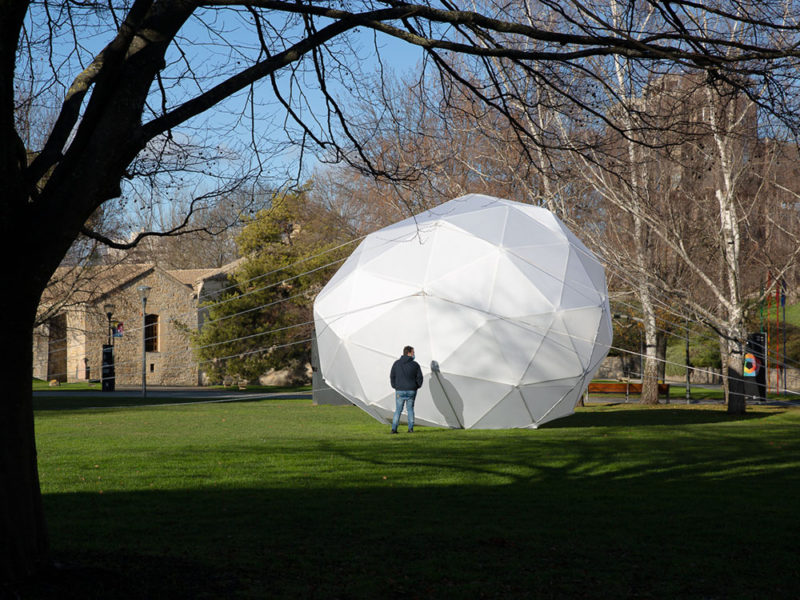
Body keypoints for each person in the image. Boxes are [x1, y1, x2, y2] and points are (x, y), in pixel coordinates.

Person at [390, 345, 423, 434]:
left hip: (399, 390)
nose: (414, 354)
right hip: (411, 390)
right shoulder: (415, 365)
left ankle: (394, 429)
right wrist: (416, 386)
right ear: (408, 353)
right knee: (410, 409)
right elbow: (420, 378)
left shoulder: (397, 363)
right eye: (413, 352)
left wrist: (395, 386)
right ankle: (410, 429)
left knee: (398, 410)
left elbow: (392, 376)